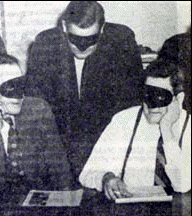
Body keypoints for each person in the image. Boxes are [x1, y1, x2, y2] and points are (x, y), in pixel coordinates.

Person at [26, 1, 145, 177]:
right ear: (64, 27)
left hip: (108, 144)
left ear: (102, 29)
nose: (82, 47)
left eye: (90, 40)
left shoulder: (121, 42)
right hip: (60, 146)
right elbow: (38, 109)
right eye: (75, 39)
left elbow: (130, 105)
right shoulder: (45, 45)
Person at [0, 54, 75, 194]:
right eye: (9, 88)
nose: (19, 96)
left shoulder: (38, 110)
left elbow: (61, 171)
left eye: (21, 85)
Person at [79, 63, 191, 200]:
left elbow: (184, 184)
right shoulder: (124, 121)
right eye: (147, 95)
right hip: (134, 215)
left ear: (178, 100)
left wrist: (167, 132)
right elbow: (87, 173)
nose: (151, 105)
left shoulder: (189, 127)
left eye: (161, 97)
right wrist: (106, 178)